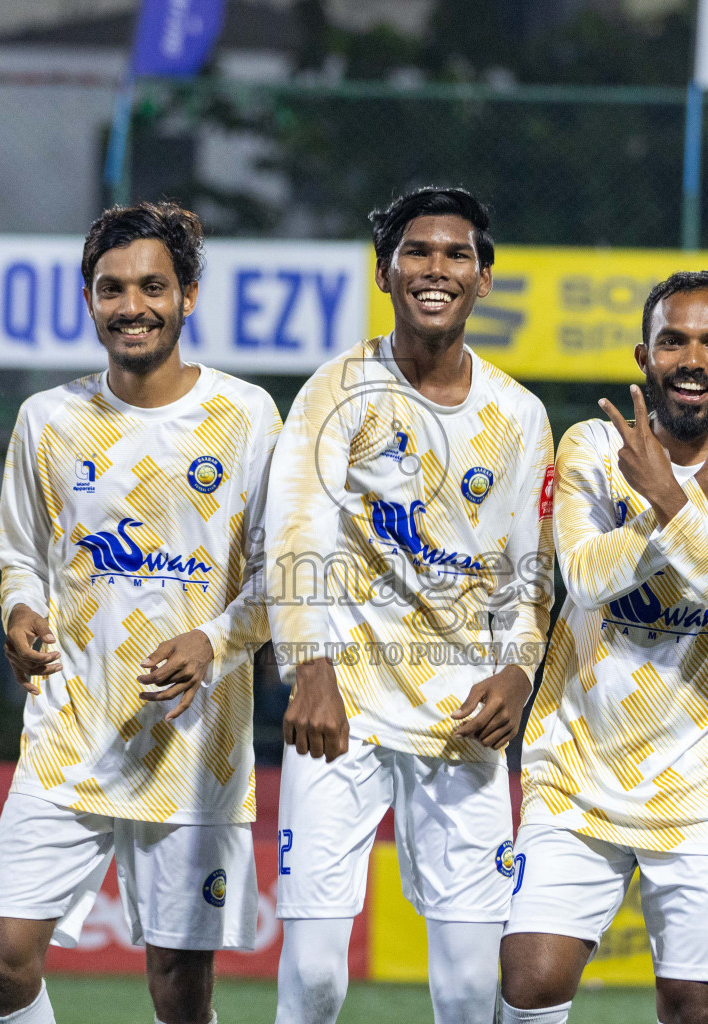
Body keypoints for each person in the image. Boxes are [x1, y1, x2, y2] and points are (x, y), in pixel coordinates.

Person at [0, 202, 279, 1024]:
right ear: (89, 298)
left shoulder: (247, 416)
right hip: (71, 733)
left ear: (187, 296)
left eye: (152, 286)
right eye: (112, 289)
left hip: (194, 747)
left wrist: (213, 641)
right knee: (1, 960)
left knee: (180, 989)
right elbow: (21, 556)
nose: (131, 305)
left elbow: (281, 580)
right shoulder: (49, 419)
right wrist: (22, 614)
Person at [264, 186, 556, 1024]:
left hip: (460, 715)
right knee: (315, 974)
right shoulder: (337, 390)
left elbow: (527, 578)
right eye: (417, 253)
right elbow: (295, 542)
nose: (437, 269)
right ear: (385, 272)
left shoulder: (520, 415)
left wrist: (518, 672)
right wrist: (308, 670)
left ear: (485, 278)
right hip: (342, 710)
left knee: (470, 990)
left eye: (456, 254)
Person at [498, 271, 708, 1024]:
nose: (692, 358)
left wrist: (672, 499)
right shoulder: (594, 448)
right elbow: (586, 575)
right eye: (673, 340)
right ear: (645, 355)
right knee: (529, 980)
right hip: (577, 769)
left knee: (695, 1005)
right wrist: (696, 500)